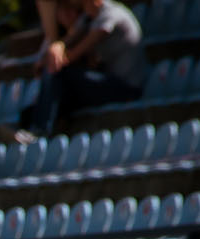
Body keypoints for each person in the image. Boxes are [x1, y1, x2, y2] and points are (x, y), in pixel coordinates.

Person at [21, 0, 147, 138]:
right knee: (29, 113)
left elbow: (75, 52)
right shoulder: (88, 18)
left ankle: (41, 130)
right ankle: (37, 129)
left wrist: (56, 54)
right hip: (107, 83)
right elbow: (66, 42)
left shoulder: (111, 14)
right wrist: (55, 48)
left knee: (59, 72)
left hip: (126, 89)